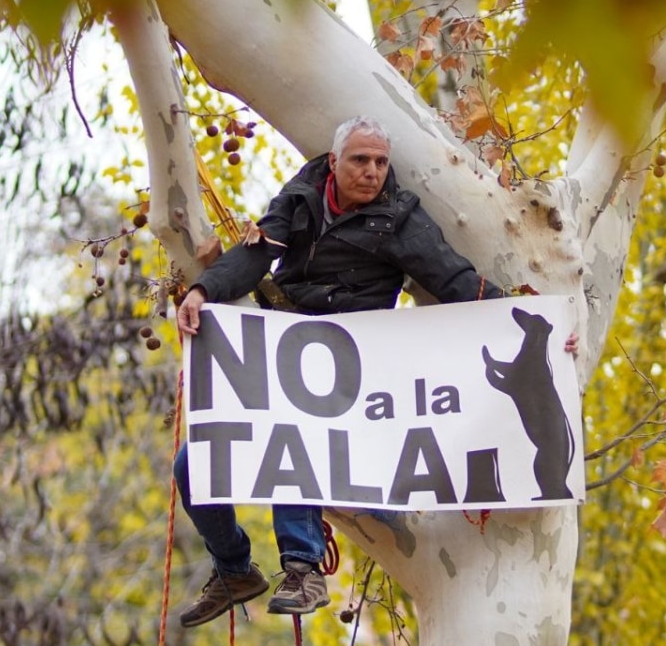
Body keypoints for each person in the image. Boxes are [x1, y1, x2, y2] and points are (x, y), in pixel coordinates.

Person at [173, 115, 578, 628]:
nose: (372, 172)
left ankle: (303, 568)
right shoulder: (298, 198)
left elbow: (456, 280)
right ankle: (234, 569)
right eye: (360, 160)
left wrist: (538, 325)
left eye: (381, 162)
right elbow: (256, 255)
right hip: (283, 353)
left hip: (350, 372)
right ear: (334, 162)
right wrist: (203, 289)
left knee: (294, 443)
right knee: (193, 464)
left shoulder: (399, 218)